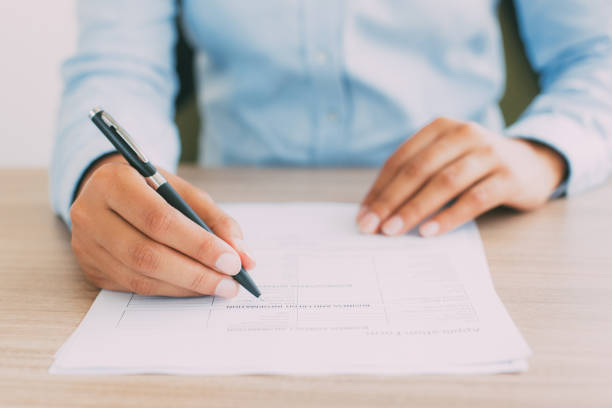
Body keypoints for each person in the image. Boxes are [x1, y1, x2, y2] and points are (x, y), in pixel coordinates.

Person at [51, 1, 612, 299]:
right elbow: (118, 66)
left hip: (481, 222)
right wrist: (97, 170)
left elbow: (597, 54)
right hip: (226, 208)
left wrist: (544, 151)